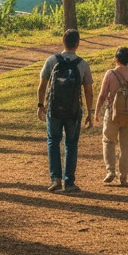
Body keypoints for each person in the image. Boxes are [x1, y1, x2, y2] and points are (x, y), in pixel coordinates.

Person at [37, 29, 94, 193]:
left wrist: (41, 106)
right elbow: (89, 92)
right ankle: (69, 182)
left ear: (63, 42)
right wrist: (89, 113)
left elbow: (42, 87)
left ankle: (55, 179)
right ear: (78, 44)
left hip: (53, 110)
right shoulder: (82, 64)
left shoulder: (51, 60)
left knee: (53, 142)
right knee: (71, 144)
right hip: (74, 112)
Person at [94, 46, 128, 186]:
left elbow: (103, 94)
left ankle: (110, 170)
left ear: (116, 59)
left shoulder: (110, 74)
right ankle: (123, 177)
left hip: (112, 114)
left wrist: (97, 111)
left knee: (109, 141)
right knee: (127, 146)